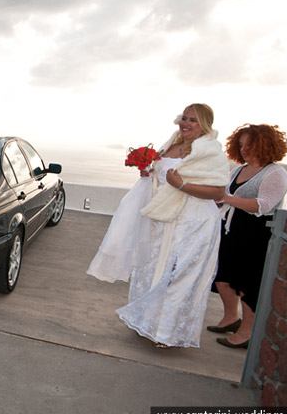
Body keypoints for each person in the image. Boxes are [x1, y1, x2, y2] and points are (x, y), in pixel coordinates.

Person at [87, 104, 229, 348]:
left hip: (193, 225)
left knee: (179, 278)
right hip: (163, 221)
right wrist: (149, 173)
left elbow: (217, 192)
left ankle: (167, 333)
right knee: (153, 270)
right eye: (184, 118)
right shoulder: (171, 144)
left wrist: (182, 185)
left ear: (204, 124)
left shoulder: (210, 151)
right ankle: (147, 323)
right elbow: (162, 176)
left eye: (193, 120)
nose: (185, 123)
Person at [208, 124, 287, 349]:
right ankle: (230, 318)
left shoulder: (275, 172)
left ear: (265, 144)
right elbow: (221, 195)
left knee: (246, 284)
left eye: (249, 145)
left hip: (255, 233)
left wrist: (226, 198)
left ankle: (247, 332)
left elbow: (262, 205)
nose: (244, 149)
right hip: (230, 228)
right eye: (241, 145)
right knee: (222, 278)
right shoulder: (238, 169)